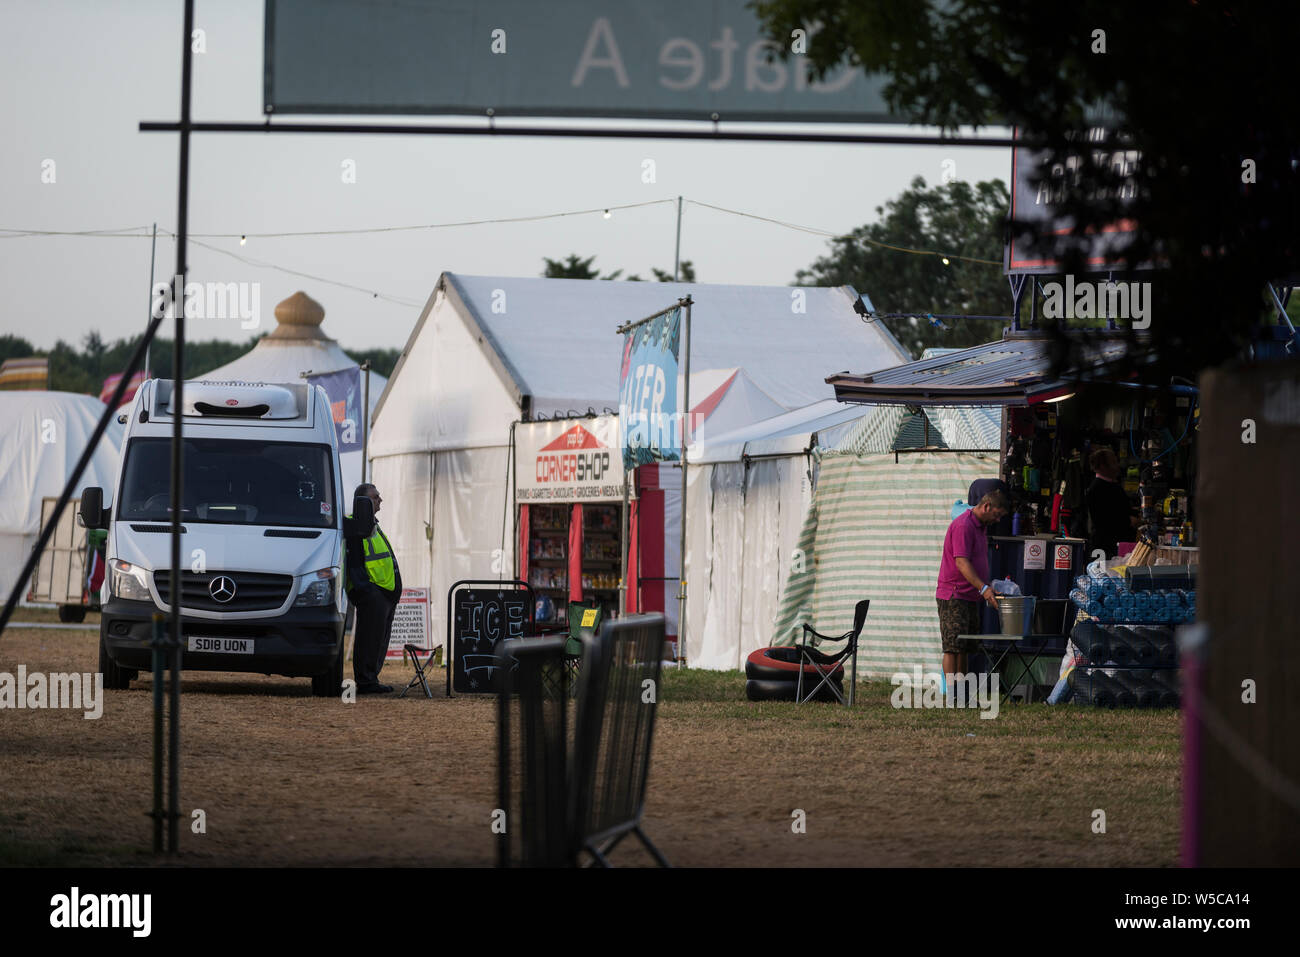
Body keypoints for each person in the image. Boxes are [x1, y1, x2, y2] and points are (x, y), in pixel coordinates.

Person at [936, 489, 1011, 682]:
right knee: (953, 647)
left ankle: (962, 694)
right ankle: (953, 696)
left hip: (970, 594)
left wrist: (988, 586)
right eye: (997, 514)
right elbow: (961, 562)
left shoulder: (980, 527)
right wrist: (984, 589)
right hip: (954, 593)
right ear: (986, 506)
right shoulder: (963, 525)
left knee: (965, 648)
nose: (997, 520)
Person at [345, 483, 402, 694]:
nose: (380, 500)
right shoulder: (355, 526)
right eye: (375, 497)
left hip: (383, 592)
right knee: (369, 638)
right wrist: (366, 590)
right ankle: (366, 681)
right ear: (363, 502)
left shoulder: (371, 525)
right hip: (373, 593)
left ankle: (371, 679)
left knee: (378, 638)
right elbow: (354, 563)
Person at [1084, 448, 1136, 558]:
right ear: (1102, 466)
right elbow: (1103, 520)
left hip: (1118, 545)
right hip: (1104, 548)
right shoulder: (1096, 489)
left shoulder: (1114, 486)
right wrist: (1129, 520)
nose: (1117, 466)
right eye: (1113, 462)